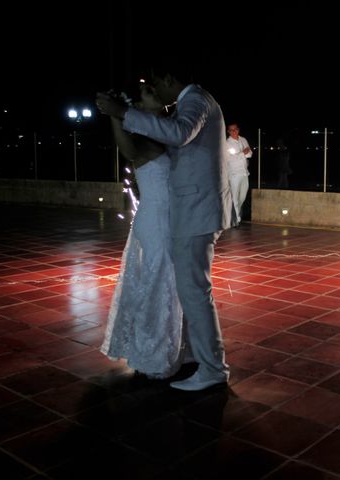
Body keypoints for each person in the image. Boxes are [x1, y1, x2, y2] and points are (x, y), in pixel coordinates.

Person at [96, 54, 234, 391]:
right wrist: (123, 117)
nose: (154, 89)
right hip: (189, 212)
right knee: (190, 293)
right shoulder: (194, 102)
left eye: (155, 83)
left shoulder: (197, 101)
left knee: (194, 294)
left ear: (169, 78)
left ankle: (212, 368)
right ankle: (194, 356)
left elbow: (180, 133)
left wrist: (123, 114)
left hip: (195, 212)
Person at [100, 85, 185, 379]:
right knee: (156, 281)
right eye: (144, 95)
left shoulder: (171, 133)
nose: (147, 95)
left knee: (168, 283)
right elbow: (127, 149)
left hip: (172, 220)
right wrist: (115, 116)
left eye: (148, 92)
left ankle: (168, 347)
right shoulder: (143, 140)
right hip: (155, 220)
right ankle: (151, 353)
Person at [225, 123, 252, 225]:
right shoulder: (227, 143)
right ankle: (236, 219)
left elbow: (249, 154)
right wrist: (242, 153)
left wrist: (240, 154)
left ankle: (234, 213)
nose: (233, 131)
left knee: (242, 197)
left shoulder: (243, 140)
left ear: (238, 130)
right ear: (228, 132)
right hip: (234, 174)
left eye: (235, 129)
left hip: (244, 173)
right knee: (234, 197)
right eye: (231, 130)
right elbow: (230, 159)